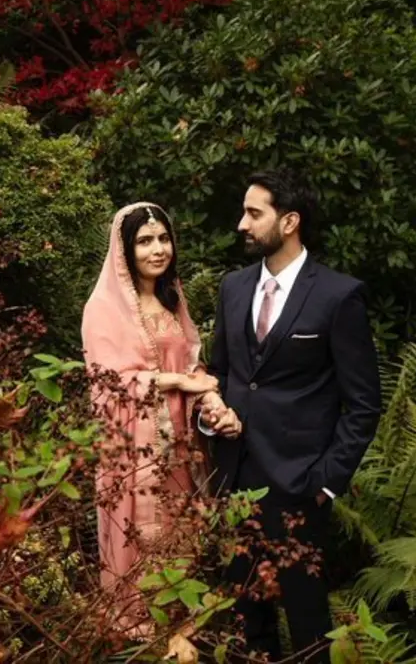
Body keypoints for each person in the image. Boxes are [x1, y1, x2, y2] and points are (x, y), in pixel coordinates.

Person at [200, 169, 382, 662]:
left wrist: (326, 482)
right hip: (234, 479)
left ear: (290, 221)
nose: (242, 223)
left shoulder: (338, 296)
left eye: (254, 213)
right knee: (241, 623)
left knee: (307, 626)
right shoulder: (233, 288)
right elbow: (219, 374)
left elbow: (364, 403)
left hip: (299, 485)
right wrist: (210, 414)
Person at [81, 202, 223, 638]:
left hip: (180, 448)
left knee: (181, 534)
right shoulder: (103, 308)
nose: (157, 249)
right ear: (125, 249)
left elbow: (193, 360)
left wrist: (209, 396)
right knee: (139, 538)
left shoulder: (171, 300)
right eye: (145, 241)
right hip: (135, 449)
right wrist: (180, 380)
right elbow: (110, 384)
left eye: (163, 239)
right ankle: (136, 633)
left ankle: (181, 632)